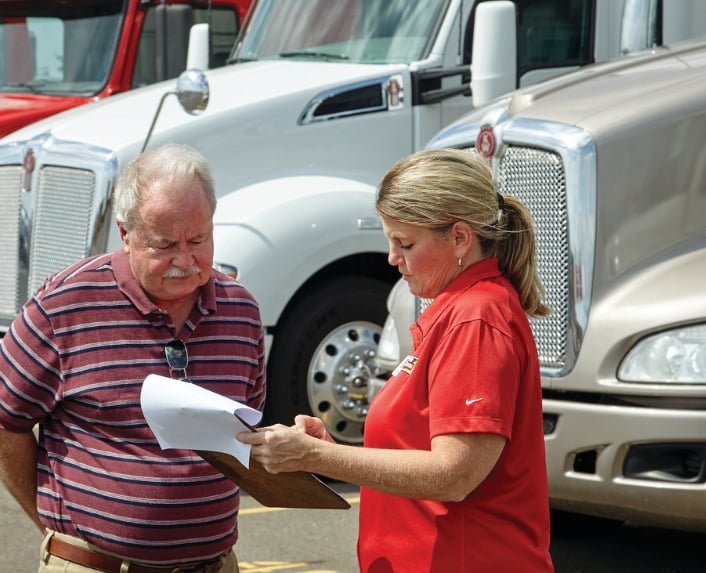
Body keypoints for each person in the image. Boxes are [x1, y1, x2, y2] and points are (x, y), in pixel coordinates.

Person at [238, 148, 554, 572]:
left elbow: (454, 474)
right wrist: (328, 449)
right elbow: (422, 451)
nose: (392, 258)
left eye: (405, 243)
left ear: (460, 238)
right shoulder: (461, 309)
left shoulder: (475, 317)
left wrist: (315, 457)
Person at [0, 143, 266, 572]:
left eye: (198, 239)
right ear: (126, 234)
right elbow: (5, 421)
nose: (185, 260)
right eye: (164, 245)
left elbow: (245, 428)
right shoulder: (63, 306)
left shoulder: (241, 311)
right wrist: (54, 533)